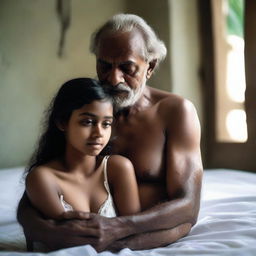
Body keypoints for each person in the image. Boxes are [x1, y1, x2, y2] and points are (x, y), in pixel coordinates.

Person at [17, 13, 203, 252]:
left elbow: (188, 207)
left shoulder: (176, 112)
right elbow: (42, 179)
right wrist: (40, 228)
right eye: (105, 66)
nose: (114, 79)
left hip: (149, 232)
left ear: (150, 66)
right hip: (91, 229)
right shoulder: (87, 110)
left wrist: (119, 228)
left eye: (127, 68)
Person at [24, 78, 140, 251]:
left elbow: (134, 229)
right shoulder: (42, 178)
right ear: (62, 122)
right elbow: (68, 240)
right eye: (87, 122)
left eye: (106, 123)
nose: (99, 133)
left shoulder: (118, 168)